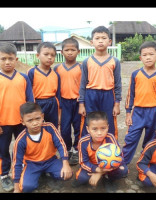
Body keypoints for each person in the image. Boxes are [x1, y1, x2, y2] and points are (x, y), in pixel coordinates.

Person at [12, 102, 73, 193]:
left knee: (67, 174)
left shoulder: (50, 128)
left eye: (38, 118)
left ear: (42, 116)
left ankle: (47, 171)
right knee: (26, 187)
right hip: (32, 164)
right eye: (30, 120)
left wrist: (66, 164)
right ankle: (36, 174)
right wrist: (16, 189)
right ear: (23, 122)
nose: (35, 123)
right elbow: (16, 163)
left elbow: (61, 144)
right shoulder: (20, 140)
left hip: (50, 160)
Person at [123, 41, 156, 165]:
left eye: (151, 54)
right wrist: (127, 113)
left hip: (154, 112)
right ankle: (123, 164)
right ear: (140, 57)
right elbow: (130, 95)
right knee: (130, 138)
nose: (148, 57)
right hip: (138, 112)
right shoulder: (136, 74)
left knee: (151, 140)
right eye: (145, 55)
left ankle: (145, 163)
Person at [0, 42, 34, 192]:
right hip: (2, 123)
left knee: (22, 147)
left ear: (16, 59)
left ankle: (22, 170)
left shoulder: (24, 78)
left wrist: (31, 119)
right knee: (2, 150)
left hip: (22, 122)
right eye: (3, 59)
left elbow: (30, 100)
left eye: (10, 58)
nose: (7, 62)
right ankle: (4, 175)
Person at [78, 26, 122, 140]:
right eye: (97, 38)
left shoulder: (115, 61)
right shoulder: (87, 61)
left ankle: (110, 148)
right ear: (92, 42)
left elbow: (118, 84)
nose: (101, 41)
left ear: (109, 41)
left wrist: (117, 104)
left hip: (108, 95)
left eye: (104, 38)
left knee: (108, 122)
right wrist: (81, 104)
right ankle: (87, 148)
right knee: (89, 122)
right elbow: (83, 83)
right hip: (91, 95)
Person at [71, 111, 128, 190]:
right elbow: (83, 162)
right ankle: (88, 176)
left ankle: (108, 178)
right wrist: (97, 169)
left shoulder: (110, 138)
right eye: (94, 129)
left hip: (108, 166)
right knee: (82, 178)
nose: (99, 133)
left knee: (123, 170)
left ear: (108, 127)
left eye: (103, 128)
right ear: (88, 129)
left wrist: (100, 173)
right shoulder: (83, 142)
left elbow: (119, 158)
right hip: (92, 165)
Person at [54, 38, 81, 166]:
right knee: (64, 129)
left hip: (77, 103)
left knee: (78, 128)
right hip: (63, 103)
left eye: (73, 50)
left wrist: (83, 103)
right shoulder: (57, 68)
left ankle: (76, 150)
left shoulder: (82, 68)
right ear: (61, 52)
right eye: (67, 50)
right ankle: (68, 149)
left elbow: (85, 86)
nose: (70, 52)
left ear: (78, 52)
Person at [27, 42, 61, 128]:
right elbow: (28, 92)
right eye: (46, 54)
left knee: (53, 127)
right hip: (37, 103)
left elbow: (58, 94)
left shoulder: (56, 75)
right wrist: (31, 107)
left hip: (52, 103)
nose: (49, 57)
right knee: (37, 127)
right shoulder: (32, 72)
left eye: (52, 55)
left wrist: (59, 112)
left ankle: (51, 141)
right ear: (38, 55)